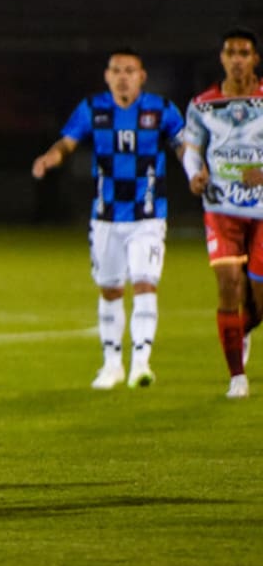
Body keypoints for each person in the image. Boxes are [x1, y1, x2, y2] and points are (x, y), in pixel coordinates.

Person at [31, 49, 184, 390]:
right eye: (117, 70)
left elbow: (183, 144)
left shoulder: (161, 110)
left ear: (142, 76)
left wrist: (195, 167)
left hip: (148, 215)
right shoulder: (92, 108)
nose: (123, 76)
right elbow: (68, 143)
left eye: (130, 70)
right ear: (107, 75)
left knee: (145, 283)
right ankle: (112, 364)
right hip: (106, 217)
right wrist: (50, 157)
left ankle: (141, 363)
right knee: (110, 290)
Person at [182, 27, 263, 399]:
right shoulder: (203, 105)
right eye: (230, 52)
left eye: (244, 52)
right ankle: (237, 377)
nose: (237, 59)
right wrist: (194, 173)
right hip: (220, 207)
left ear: (255, 59)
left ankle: (243, 328)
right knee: (229, 285)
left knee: (259, 301)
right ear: (221, 58)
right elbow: (192, 147)